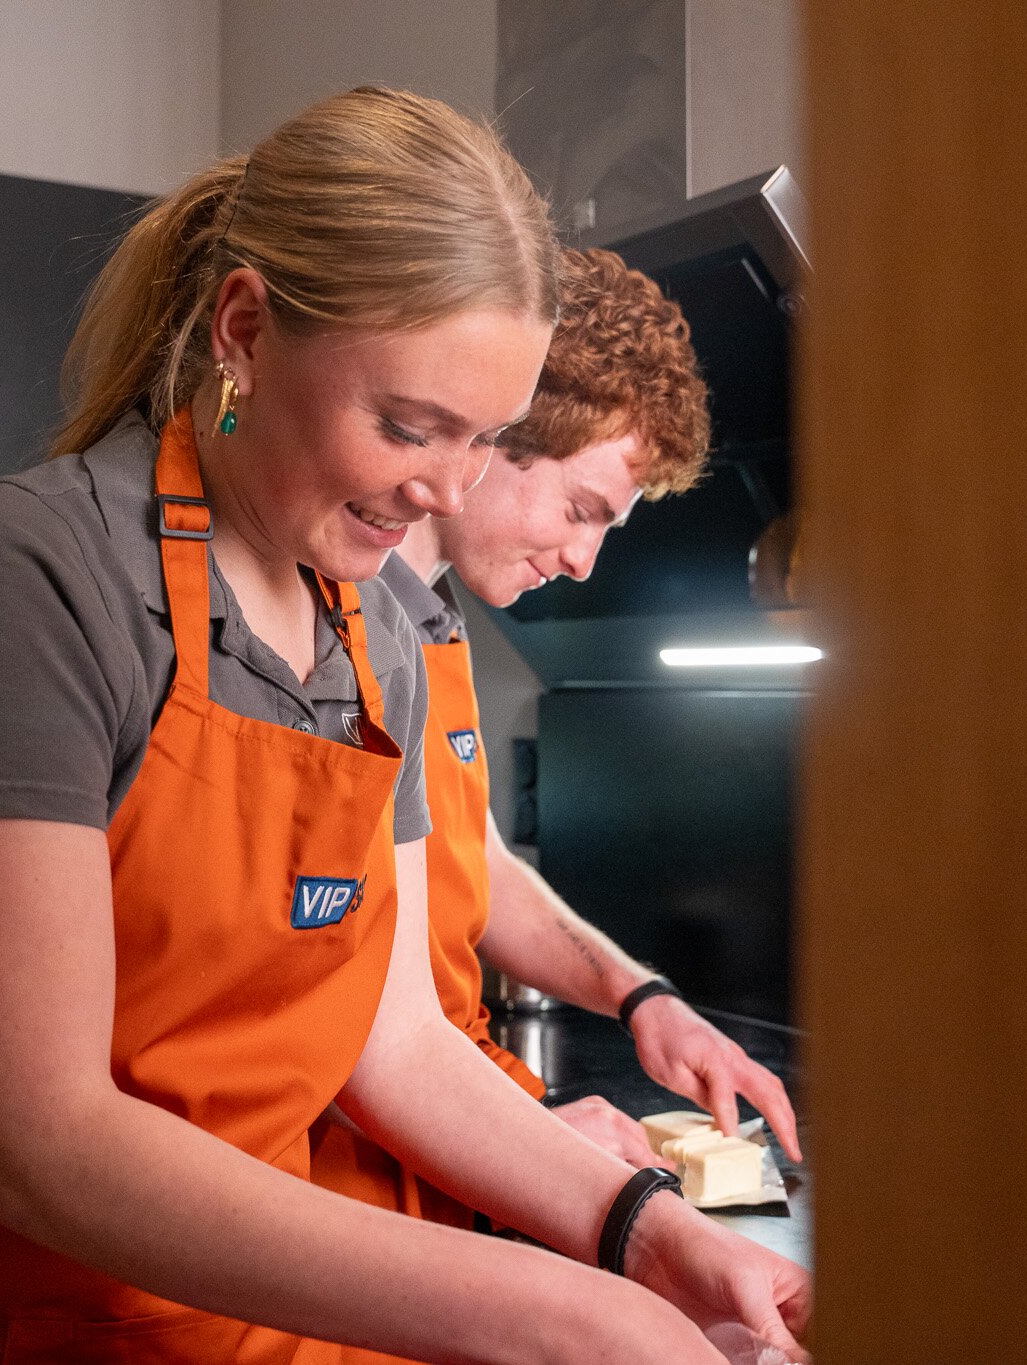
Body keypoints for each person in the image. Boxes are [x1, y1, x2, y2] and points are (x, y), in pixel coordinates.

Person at [0, 89, 809, 1365]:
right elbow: (45, 1147)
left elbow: (393, 1041)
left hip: (218, 1322)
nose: (441, 488)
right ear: (244, 328)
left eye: (480, 441)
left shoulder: (373, 639)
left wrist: (644, 1235)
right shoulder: (30, 575)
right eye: (408, 427)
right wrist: (558, 1312)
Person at [308, 250, 806, 1363]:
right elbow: (320, 1023)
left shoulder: (424, 629)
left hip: (422, 1159)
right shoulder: (325, 630)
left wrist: (640, 997)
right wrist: (543, 1144)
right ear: (491, 433)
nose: (583, 562)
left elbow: (468, 862)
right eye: (581, 509)